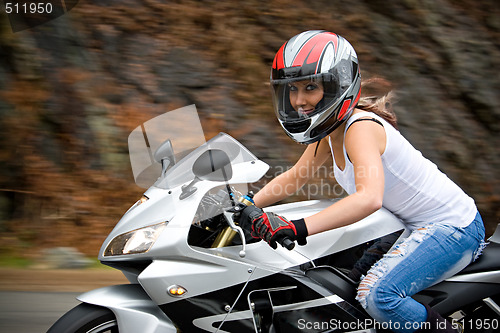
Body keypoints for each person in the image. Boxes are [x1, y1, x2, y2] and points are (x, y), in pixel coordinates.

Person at [238, 30, 486, 333]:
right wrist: (244, 206)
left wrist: (296, 227)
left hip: (452, 227)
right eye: (292, 89)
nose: (299, 100)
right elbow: (296, 177)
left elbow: (369, 198)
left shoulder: (360, 129)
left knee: (378, 297)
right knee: (340, 296)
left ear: (336, 86)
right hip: (405, 225)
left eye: (310, 87)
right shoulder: (330, 133)